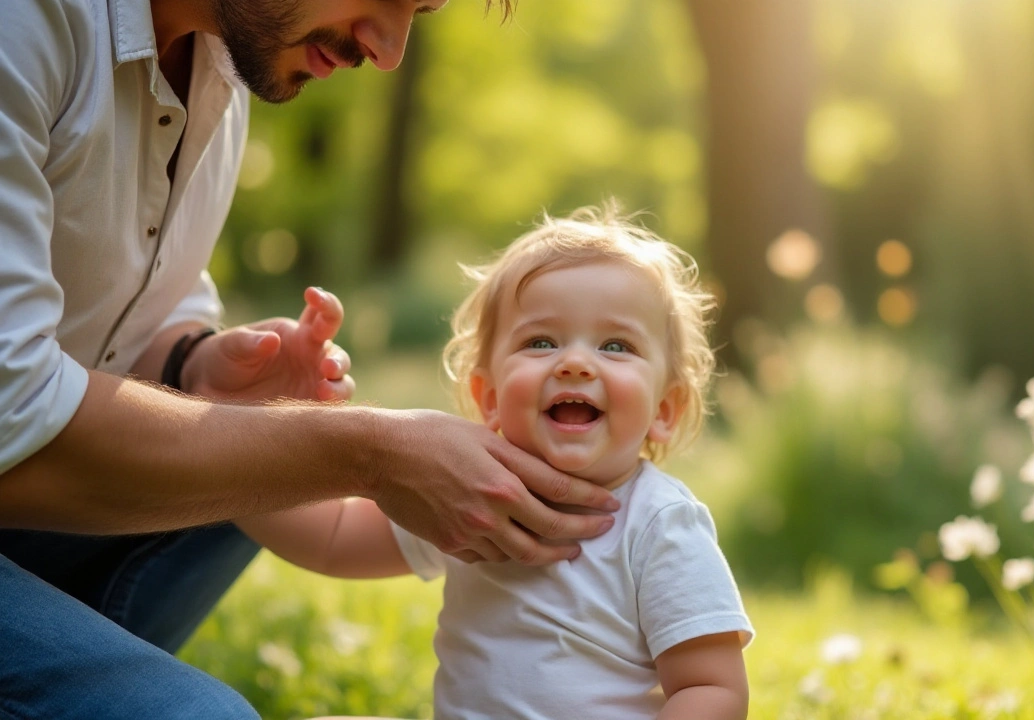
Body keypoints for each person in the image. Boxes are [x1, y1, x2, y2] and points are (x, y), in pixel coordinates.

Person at [0, 1, 622, 717]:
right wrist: (367, 452)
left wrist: (192, 365)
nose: (389, 51)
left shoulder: (220, 69)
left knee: (260, 442)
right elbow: (14, 417)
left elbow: (133, 306)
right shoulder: (26, 27)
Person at [238, 205, 754, 719]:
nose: (574, 362)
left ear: (664, 411)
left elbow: (711, 688)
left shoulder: (660, 523)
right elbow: (332, 540)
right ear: (488, 396)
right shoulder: (465, 489)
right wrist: (232, 458)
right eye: (541, 341)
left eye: (615, 345)